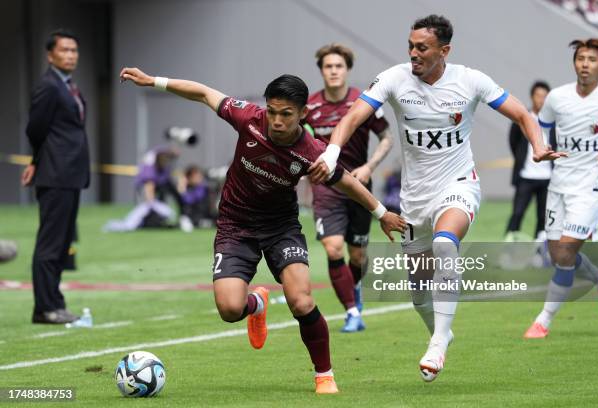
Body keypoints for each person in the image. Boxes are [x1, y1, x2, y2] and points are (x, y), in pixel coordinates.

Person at [119, 67, 407, 394]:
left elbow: (346, 182)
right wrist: (153, 81)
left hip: (280, 227)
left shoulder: (312, 152)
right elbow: (203, 92)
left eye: (286, 114)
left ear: (302, 114)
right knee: (229, 310)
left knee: (300, 301)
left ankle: (324, 374)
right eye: (272, 111)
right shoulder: (248, 119)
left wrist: (381, 213)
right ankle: (256, 304)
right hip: (235, 225)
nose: (277, 120)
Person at [309, 15, 564, 382]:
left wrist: (538, 146)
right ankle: (440, 331)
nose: (413, 53)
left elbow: (522, 114)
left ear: (444, 51)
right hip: (414, 198)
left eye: (422, 48)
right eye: (410, 46)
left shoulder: (470, 81)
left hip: (458, 185)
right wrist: (333, 152)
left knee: (446, 245)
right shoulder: (395, 78)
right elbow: (353, 117)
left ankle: (439, 341)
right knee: (418, 292)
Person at [524, 38, 598, 339]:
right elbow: (539, 126)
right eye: (580, 58)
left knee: (564, 253)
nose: (585, 64)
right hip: (559, 185)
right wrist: (540, 147)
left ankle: (543, 321)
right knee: (558, 254)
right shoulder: (557, 98)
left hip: (591, 186)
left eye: (592, 59)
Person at [304, 43, 394, 332]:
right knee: (333, 249)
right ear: (321, 71)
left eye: (338, 66)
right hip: (326, 188)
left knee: (357, 256)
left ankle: (354, 289)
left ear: (347, 70)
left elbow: (387, 138)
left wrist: (369, 167)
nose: (333, 71)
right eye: (328, 66)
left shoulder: (362, 102)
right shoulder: (311, 107)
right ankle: (352, 312)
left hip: (357, 186)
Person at [21, 29, 90, 324]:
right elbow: (34, 128)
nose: (71, 55)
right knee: (50, 243)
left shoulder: (69, 85)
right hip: (56, 174)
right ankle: (45, 308)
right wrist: (38, 160)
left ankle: (55, 302)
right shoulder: (49, 86)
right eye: (64, 50)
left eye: (74, 50)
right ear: (50, 55)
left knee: (62, 243)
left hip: (70, 174)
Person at [506, 81, 556, 242]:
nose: (541, 100)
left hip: (547, 178)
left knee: (543, 216)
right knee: (517, 213)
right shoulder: (523, 118)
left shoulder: (555, 121)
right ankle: (509, 246)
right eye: (538, 96)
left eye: (544, 96)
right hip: (525, 177)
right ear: (532, 97)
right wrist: (521, 159)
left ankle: (538, 251)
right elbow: (513, 142)